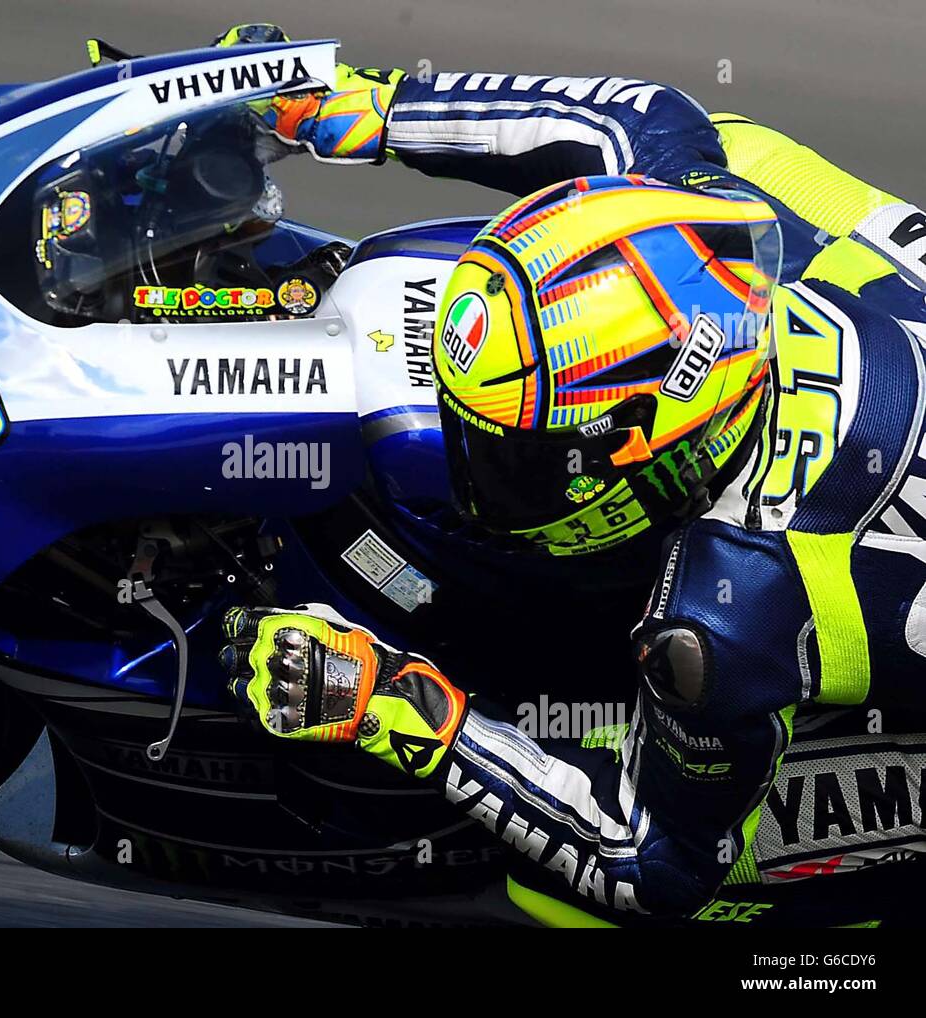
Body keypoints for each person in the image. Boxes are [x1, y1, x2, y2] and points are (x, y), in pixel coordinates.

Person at [213, 26, 926, 925]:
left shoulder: (729, 616)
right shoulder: (752, 185)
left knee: (578, 889)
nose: (490, 476)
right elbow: (626, 116)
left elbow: (654, 866)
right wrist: (349, 104)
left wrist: (397, 707)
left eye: (522, 461)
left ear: (660, 453)